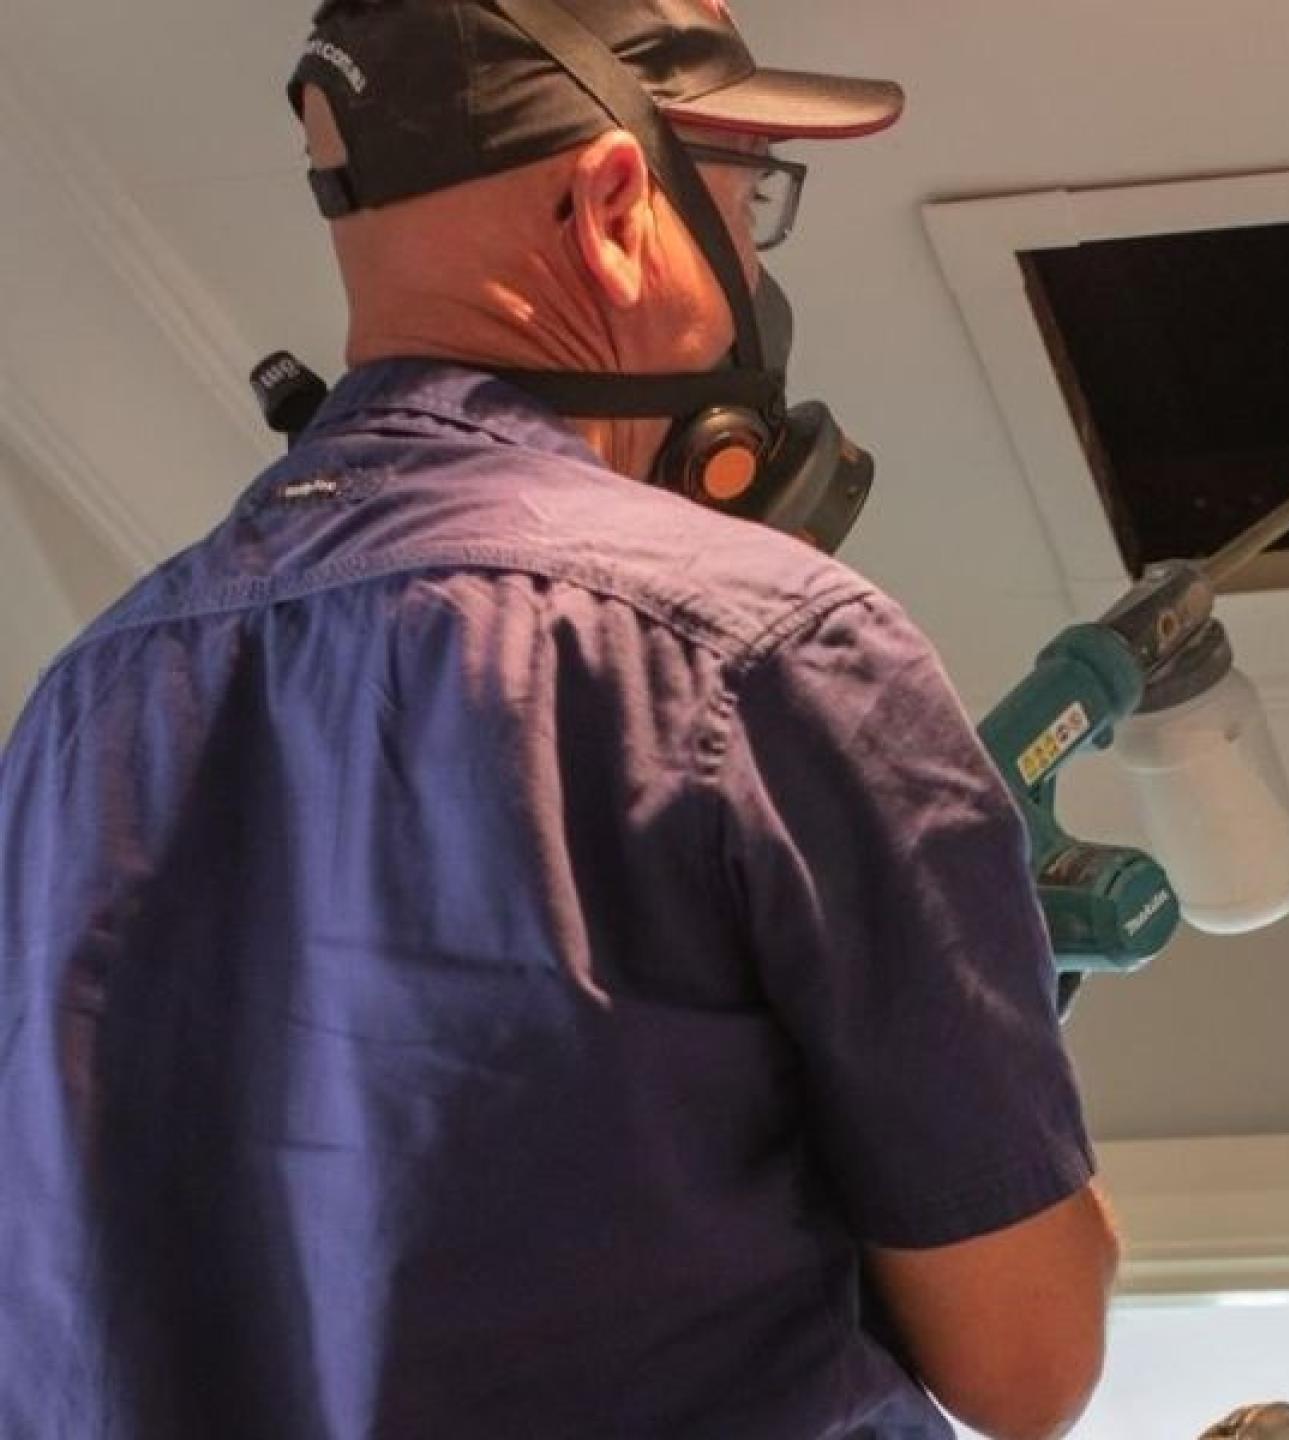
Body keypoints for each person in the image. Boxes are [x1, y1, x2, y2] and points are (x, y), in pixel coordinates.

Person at [0, 2, 1118, 1436]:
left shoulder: (73, 709)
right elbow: (1028, 1366)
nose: (751, 277)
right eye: (746, 207)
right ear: (611, 208)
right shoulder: (765, 646)